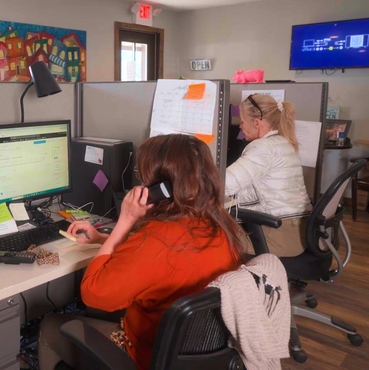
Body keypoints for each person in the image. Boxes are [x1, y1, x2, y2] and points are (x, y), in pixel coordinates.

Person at [38, 134, 242, 370]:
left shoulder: (156, 239)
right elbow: (159, 262)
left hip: (145, 356)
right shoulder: (220, 225)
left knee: (50, 325)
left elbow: (94, 294)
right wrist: (103, 240)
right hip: (197, 356)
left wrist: (126, 219)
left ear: (160, 188)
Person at [226, 94, 312, 257]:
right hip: (298, 231)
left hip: (279, 235)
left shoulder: (263, 148)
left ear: (256, 123)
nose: (240, 127)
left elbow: (225, 184)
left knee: (208, 235)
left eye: (242, 122)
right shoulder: (282, 142)